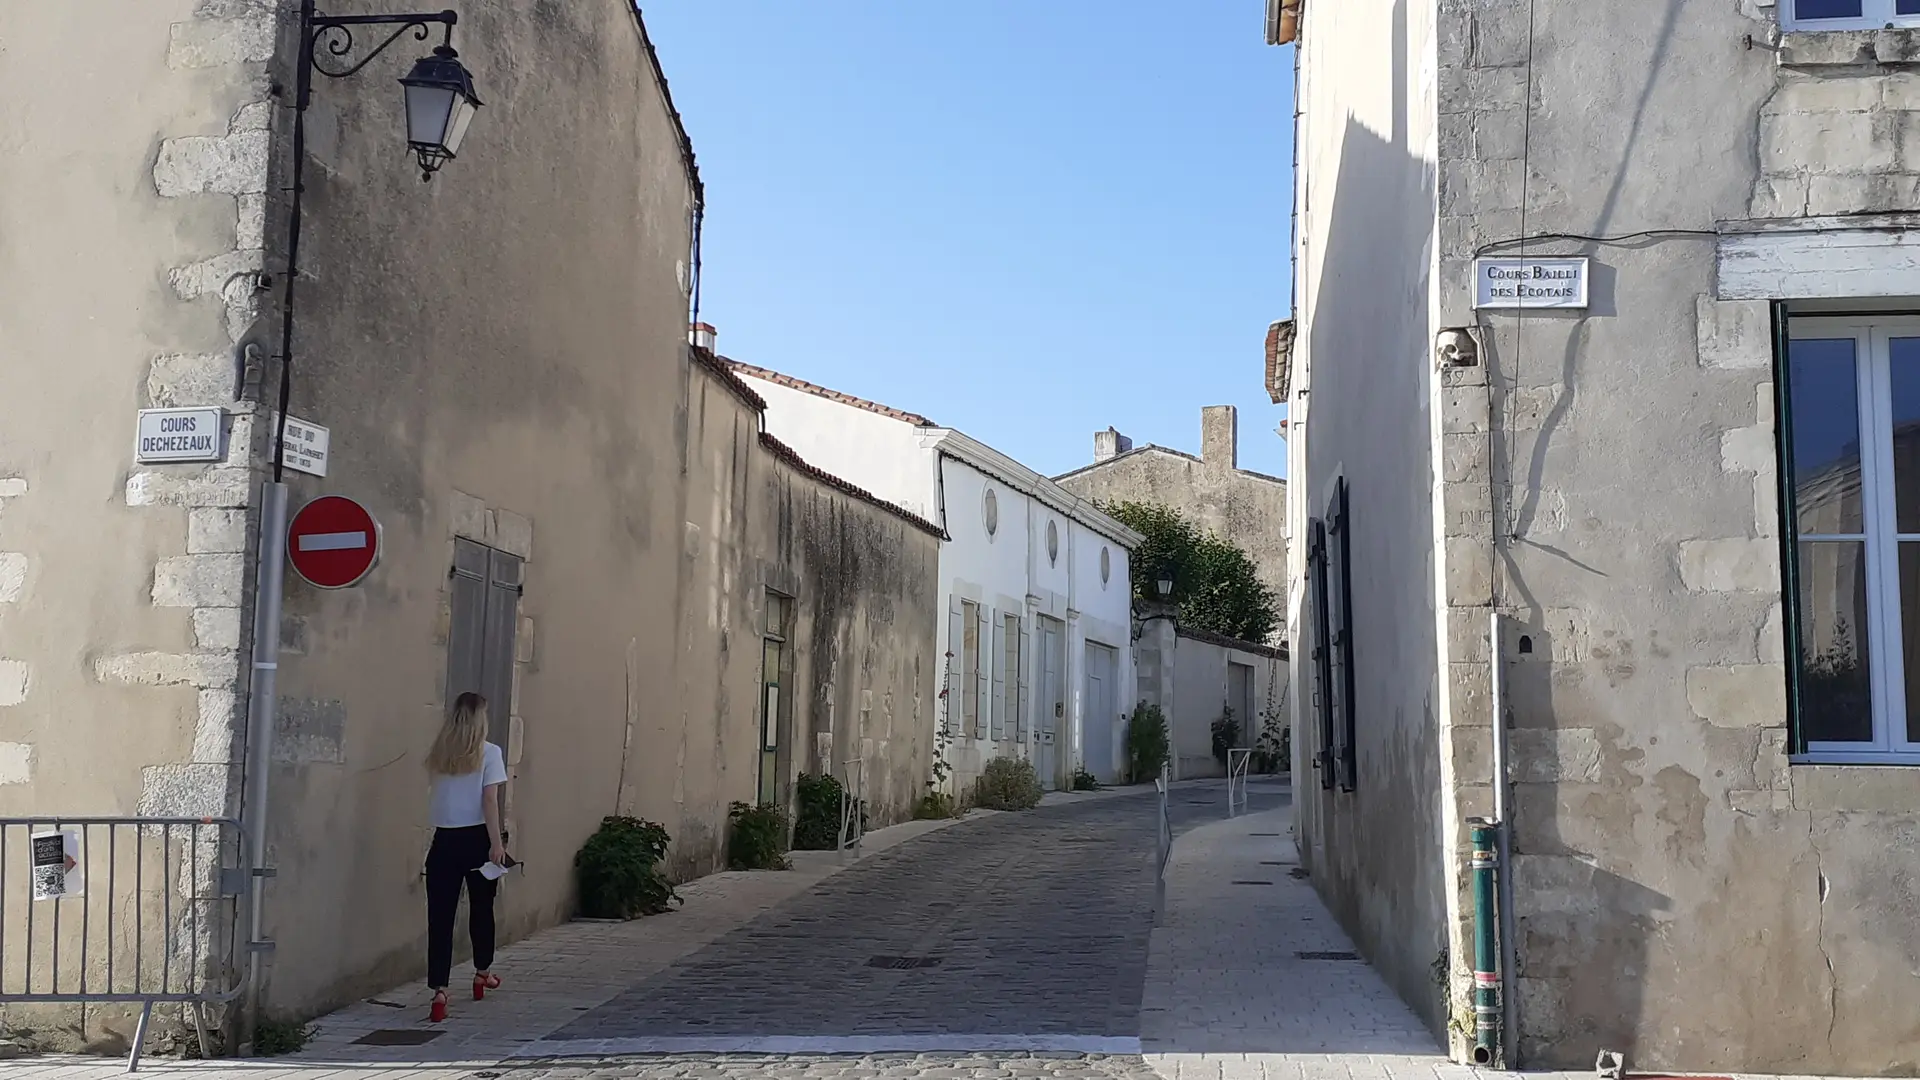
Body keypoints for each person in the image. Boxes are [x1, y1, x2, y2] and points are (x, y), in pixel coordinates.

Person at [423, 691, 509, 1022]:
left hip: (443, 838)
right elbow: (490, 800)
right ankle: (482, 971)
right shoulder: (490, 753)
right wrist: (496, 842)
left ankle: (440, 990)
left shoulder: (440, 753)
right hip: (476, 838)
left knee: (440, 917)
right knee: (482, 908)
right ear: (480, 720)